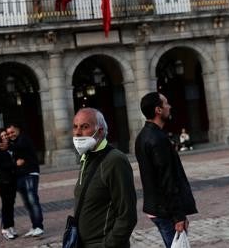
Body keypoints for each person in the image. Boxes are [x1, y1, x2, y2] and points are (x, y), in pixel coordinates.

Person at [135, 92, 197, 248]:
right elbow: (167, 179)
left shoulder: (142, 136)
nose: (169, 106)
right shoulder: (158, 139)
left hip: (155, 206)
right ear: (158, 110)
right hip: (166, 210)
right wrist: (178, 216)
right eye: (166, 103)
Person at [71, 107, 137, 246]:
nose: (77, 132)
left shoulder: (115, 160)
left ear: (100, 131)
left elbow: (127, 215)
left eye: (85, 127)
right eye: (75, 127)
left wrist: (109, 244)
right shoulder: (87, 156)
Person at [6, 124, 44, 237]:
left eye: (12, 132)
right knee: (27, 203)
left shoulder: (23, 139)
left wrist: (6, 145)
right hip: (20, 176)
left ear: (18, 130)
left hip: (30, 173)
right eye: (8, 133)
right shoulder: (13, 143)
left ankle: (39, 227)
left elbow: (19, 147)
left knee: (33, 200)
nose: (10, 135)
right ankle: (34, 226)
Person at [0, 129, 18, 240]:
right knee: (6, 204)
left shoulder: (11, 147)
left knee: (11, 204)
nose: (5, 137)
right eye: (2, 136)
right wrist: (14, 164)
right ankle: (5, 228)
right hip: (3, 181)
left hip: (12, 180)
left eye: (5, 135)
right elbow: (0, 166)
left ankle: (11, 226)